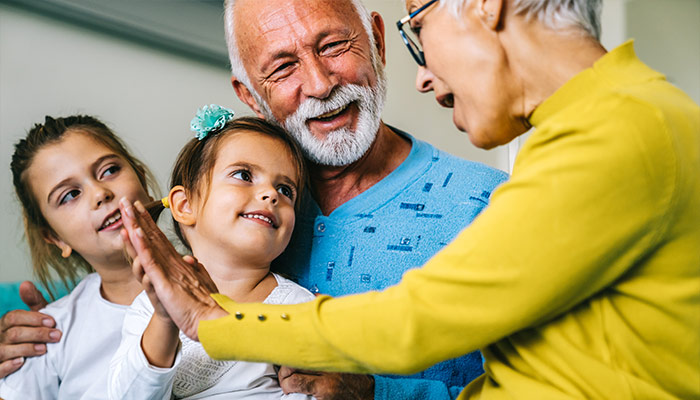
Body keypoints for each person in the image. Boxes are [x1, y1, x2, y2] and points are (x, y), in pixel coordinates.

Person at [119, 0, 700, 399]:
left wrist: (211, 319)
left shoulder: (619, 130)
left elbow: (420, 317)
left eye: (417, 28)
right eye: (285, 66)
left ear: (485, 4)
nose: (425, 76)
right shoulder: (604, 126)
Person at [0, 1, 507, 399]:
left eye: (332, 45)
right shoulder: (228, 210)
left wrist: (377, 393)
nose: (318, 82)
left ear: (376, 39)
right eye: (283, 66)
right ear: (248, 95)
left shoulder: (490, 206)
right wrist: (48, 333)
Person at [108, 109, 314, 399]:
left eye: (285, 189)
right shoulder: (147, 308)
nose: (271, 194)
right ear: (185, 205)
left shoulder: (298, 307)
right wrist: (165, 318)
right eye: (244, 175)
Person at [0, 115, 158, 399]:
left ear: (142, 181)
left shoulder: (232, 275)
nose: (100, 193)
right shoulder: (52, 333)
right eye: (70, 194)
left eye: (109, 170)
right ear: (54, 237)